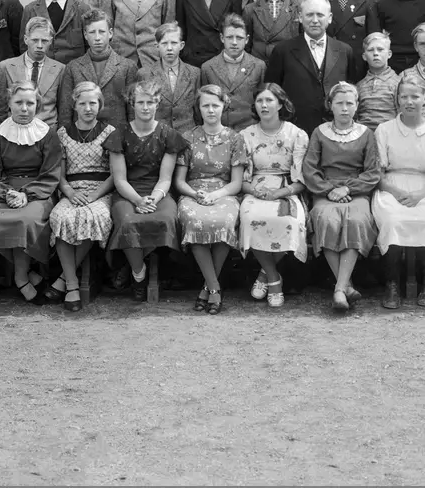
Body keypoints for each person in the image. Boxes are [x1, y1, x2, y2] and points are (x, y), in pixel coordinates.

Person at [372, 73, 425, 309]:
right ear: (397, 99)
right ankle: (392, 283)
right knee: (392, 220)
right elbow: (378, 174)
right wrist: (395, 192)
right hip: (390, 186)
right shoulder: (384, 130)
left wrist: (420, 194)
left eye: (415, 96)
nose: (409, 102)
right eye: (404, 96)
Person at [104, 77, 188, 302]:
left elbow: (165, 177)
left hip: (157, 192)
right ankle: (138, 272)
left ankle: (150, 269)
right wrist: (138, 201)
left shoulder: (168, 134)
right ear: (132, 103)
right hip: (127, 192)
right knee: (128, 222)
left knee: (166, 218)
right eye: (141, 102)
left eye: (150, 102)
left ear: (158, 102)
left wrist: (153, 198)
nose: (145, 107)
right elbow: (119, 179)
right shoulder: (119, 134)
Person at [0, 81, 63, 305]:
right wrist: (6, 193)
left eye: (30, 103)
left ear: (38, 105)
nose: (24, 108)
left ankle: (20, 277)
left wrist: (27, 194)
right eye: (19, 103)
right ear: (9, 104)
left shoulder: (48, 135)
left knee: (26, 220)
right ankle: (25, 273)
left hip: (39, 192)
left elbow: (50, 174)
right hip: (6, 192)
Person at [302, 82, 381, 311]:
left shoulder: (366, 134)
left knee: (356, 220)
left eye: (349, 103)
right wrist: (329, 190)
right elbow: (310, 168)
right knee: (327, 220)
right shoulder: (320, 132)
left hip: (355, 191)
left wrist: (348, 189)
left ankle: (339, 288)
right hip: (325, 190)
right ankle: (345, 286)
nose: (344, 108)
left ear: (357, 106)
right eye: (339, 103)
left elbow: (373, 171)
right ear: (331, 105)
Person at [175, 85, 248, 315]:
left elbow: (236, 183)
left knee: (224, 221)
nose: (210, 110)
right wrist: (195, 195)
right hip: (193, 192)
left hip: (224, 193)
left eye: (215, 105)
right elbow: (179, 181)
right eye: (205, 105)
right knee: (194, 219)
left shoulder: (235, 139)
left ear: (223, 106)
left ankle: (207, 288)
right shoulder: (188, 137)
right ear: (198, 108)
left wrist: (216, 195)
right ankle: (215, 288)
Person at [239, 83, 310, 308]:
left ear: (280, 104)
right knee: (251, 218)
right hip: (255, 187)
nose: (264, 105)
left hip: (286, 187)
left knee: (290, 220)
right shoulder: (245, 135)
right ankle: (273, 278)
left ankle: (263, 274)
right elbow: (241, 178)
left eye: (269, 100)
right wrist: (255, 190)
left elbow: (302, 179)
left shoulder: (296, 134)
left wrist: (282, 192)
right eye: (260, 101)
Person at [48, 81, 115, 313]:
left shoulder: (110, 132)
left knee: (92, 218)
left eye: (93, 103)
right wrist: (69, 192)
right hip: (72, 189)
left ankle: (63, 280)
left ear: (100, 105)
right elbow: (59, 172)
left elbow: (116, 174)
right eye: (83, 103)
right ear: (74, 105)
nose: (88, 108)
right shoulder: (63, 133)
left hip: (101, 191)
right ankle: (73, 284)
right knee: (60, 217)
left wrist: (95, 195)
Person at [265, 0, 354, 135]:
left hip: (336, 130)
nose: (315, 20)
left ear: (330, 18)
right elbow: (272, 91)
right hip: (295, 129)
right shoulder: (282, 51)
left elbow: (352, 89)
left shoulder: (345, 51)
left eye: (320, 15)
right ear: (300, 17)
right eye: (309, 15)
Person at [61, 9, 138, 131]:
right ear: (85, 35)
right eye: (92, 32)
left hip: (117, 135)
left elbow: (133, 110)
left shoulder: (128, 67)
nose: (97, 38)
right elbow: (66, 109)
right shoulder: (73, 67)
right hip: (83, 136)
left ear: (110, 33)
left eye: (101, 32)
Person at [0, 16, 65, 126]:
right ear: (26, 39)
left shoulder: (60, 69)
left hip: (47, 132)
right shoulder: (5, 67)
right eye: (35, 40)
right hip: (14, 131)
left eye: (44, 41)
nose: (40, 46)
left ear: (51, 41)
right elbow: (0, 106)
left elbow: (63, 107)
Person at [200, 15, 265, 132]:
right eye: (229, 37)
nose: (234, 42)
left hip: (250, 131)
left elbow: (263, 101)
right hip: (218, 131)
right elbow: (202, 103)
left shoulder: (259, 66)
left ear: (247, 39)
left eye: (239, 38)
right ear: (222, 38)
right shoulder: (208, 68)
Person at [326, 0, 379, 83]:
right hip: (331, 65)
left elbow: (373, 40)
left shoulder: (368, 4)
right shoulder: (324, 4)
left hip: (358, 67)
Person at [149, 22, 200, 133]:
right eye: (164, 43)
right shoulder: (145, 74)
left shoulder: (194, 73)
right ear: (157, 46)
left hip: (188, 135)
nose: (169, 48)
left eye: (174, 43)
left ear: (181, 45)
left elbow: (198, 110)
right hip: (157, 136)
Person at [354, 33, 399, 129]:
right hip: (364, 137)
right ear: (364, 56)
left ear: (389, 54)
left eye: (380, 49)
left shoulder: (398, 83)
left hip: (390, 136)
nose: (375, 53)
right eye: (370, 50)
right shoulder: (359, 86)